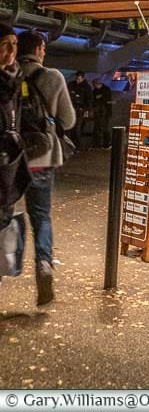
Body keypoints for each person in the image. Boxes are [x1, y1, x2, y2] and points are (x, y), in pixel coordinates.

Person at [16, 30, 76, 305]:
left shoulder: (9, 74)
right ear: (39, 49)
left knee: (5, 216)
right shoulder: (53, 77)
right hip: (42, 158)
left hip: (11, 160)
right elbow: (69, 119)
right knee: (41, 216)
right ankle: (43, 263)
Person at [0, 26, 29, 263]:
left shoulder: (15, 80)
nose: (11, 50)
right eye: (5, 44)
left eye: (15, 44)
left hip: (8, 168)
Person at [67, 71, 92, 149]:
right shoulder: (71, 84)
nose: (77, 80)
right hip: (71, 108)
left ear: (83, 78)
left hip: (80, 110)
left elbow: (89, 99)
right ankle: (71, 145)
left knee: (77, 128)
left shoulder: (86, 87)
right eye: (77, 78)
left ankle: (77, 146)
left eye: (79, 78)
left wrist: (86, 110)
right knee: (70, 128)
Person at [91, 77, 113, 148]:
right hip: (99, 112)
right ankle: (99, 144)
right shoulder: (95, 90)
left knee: (104, 128)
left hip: (104, 112)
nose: (94, 86)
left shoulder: (105, 90)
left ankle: (107, 144)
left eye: (95, 85)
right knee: (98, 128)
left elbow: (106, 101)